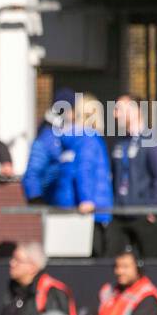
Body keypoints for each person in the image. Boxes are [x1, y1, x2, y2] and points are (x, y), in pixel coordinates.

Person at [106, 94, 157, 257]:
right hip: (119, 214)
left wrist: (153, 208)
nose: (115, 114)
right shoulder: (119, 142)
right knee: (112, 259)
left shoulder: (150, 140)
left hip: (143, 215)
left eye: (119, 109)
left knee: (149, 264)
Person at [64, 92, 113, 256]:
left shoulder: (76, 139)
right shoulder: (90, 139)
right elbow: (84, 170)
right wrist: (87, 200)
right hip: (94, 210)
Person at [22, 88, 76, 206]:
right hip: (53, 203)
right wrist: (36, 199)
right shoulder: (48, 138)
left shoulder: (69, 134)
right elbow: (32, 172)